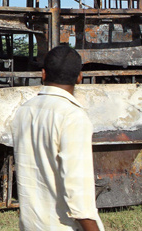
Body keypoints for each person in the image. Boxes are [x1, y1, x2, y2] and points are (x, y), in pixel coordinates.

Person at [11, 45, 104, 231]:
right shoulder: (73, 117)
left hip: (31, 225)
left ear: (43, 74)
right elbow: (77, 186)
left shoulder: (24, 111)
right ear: (79, 77)